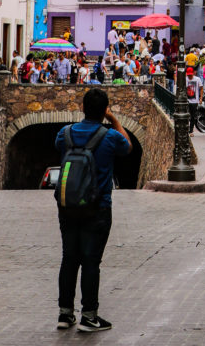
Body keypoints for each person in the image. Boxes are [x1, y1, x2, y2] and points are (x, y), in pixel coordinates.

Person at [54, 88, 131, 332]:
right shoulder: (109, 136)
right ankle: (89, 316)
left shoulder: (64, 133)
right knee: (91, 261)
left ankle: (65, 314)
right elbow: (128, 146)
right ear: (104, 110)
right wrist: (115, 120)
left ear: (82, 107)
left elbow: (59, 148)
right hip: (98, 207)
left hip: (67, 206)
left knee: (69, 259)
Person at [185, 66, 203, 133]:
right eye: (188, 75)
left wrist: (201, 98)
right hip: (187, 100)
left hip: (195, 101)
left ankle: (191, 130)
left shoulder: (197, 79)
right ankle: (187, 129)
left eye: (190, 74)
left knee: (193, 116)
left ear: (193, 73)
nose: (189, 76)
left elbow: (201, 88)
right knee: (186, 116)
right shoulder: (185, 79)